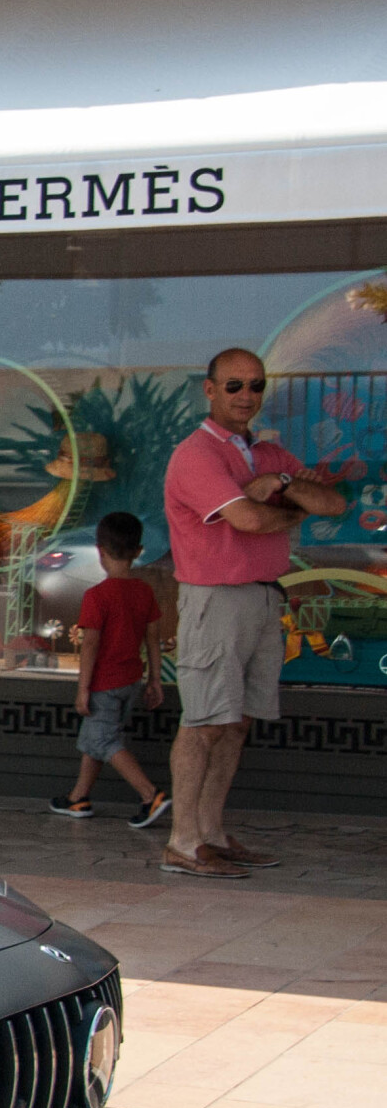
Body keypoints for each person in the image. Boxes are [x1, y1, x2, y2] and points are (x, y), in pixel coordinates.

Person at [158, 347, 348, 878]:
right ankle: (183, 841)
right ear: (210, 389)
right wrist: (282, 510)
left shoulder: (268, 454)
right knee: (203, 723)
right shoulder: (195, 455)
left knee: (236, 723)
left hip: (264, 595)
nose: (247, 395)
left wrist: (281, 486)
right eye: (235, 385)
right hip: (215, 597)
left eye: (257, 385)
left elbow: (334, 505)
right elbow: (248, 521)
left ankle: (212, 835)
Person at [50, 511, 168, 826]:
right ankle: (78, 798)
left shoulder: (96, 596)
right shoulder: (144, 592)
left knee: (104, 740)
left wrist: (82, 688)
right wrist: (155, 681)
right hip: (131, 682)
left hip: (104, 684)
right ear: (139, 551)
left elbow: (90, 646)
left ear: (100, 551)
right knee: (98, 737)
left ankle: (150, 794)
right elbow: (153, 640)